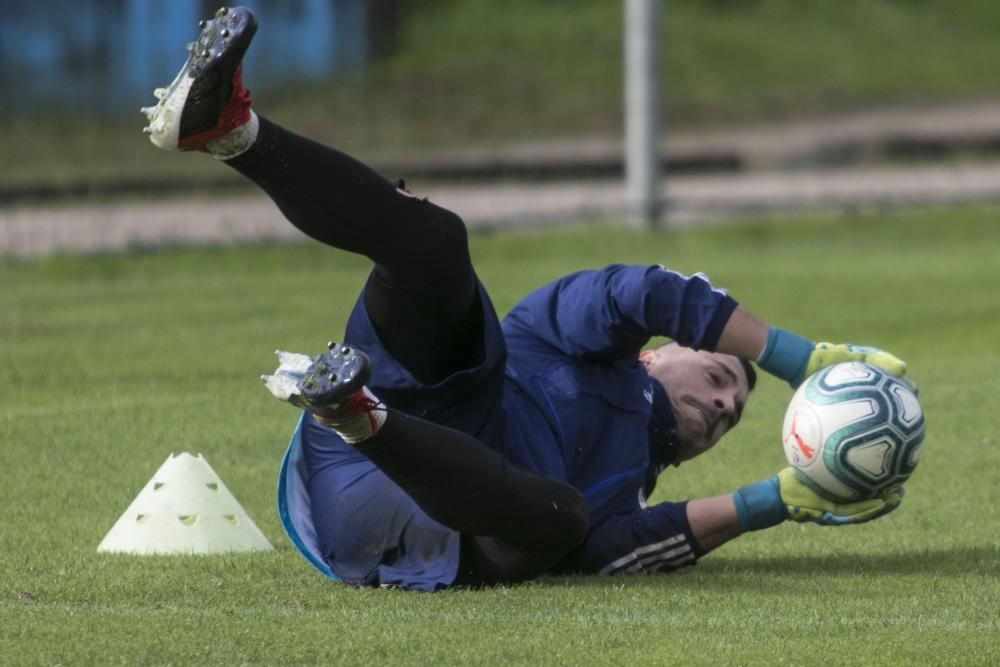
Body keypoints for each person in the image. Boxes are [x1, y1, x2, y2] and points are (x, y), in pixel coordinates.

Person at [143, 7, 909, 591]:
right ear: (657, 351)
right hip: (383, 437)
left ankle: (357, 412)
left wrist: (786, 498)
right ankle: (231, 128)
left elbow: (623, 552)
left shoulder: (626, 494)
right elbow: (636, 289)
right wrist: (794, 357)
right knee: (437, 241)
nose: (720, 407)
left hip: (417, 517)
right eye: (717, 377)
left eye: (732, 415)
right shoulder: (563, 334)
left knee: (564, 522)